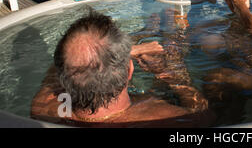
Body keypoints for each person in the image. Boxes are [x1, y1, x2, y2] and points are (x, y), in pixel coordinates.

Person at [30, 11, 213, 127]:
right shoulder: (168, 118)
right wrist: (169, 72)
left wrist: (126, 52)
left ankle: (149, 30)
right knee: (215, 76)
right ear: (129, 71)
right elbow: (205, 116)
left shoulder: (44, 109)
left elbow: (57, 68)